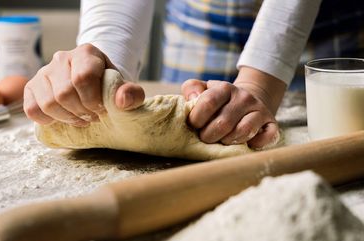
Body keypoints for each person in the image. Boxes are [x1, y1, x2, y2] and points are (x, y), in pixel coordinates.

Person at [23, 0, 361, 150]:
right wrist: (101, 60)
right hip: (201, 27)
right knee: (188, 121)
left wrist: (260, 83)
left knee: (332, 135)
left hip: (323, 45)